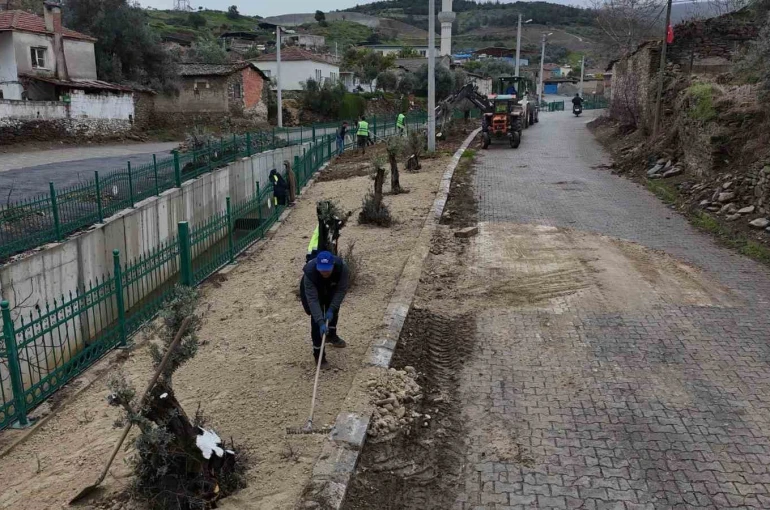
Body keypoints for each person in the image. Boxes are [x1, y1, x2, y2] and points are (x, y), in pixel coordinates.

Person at [299, 251, 349, 368]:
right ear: (317, 266)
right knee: (316, 320)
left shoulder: (342, 269)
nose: (325, 272)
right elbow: (312, 300)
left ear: (333, 265)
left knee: (334, 309)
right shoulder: (310, 274)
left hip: (331, 286)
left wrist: (331, 308)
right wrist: (321, 322)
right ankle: (319, 356)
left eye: (327, 269)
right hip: (314, 290)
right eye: (322, 269)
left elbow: (341, 290)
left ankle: (331, 335)